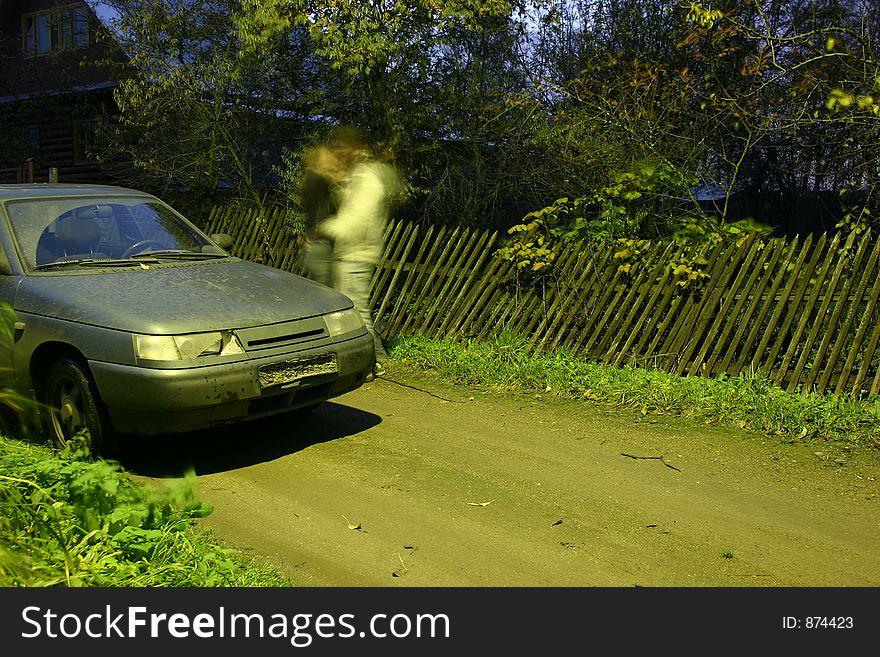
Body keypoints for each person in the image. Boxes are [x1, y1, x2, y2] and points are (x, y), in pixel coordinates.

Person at [315, 126, 398, 376]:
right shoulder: (358, 176)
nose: (340, 153)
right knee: (351, 309)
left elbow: (358, 219)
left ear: (357, 149)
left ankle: (373, 362)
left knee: (357, 311)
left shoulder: (366, 178)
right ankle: (369, 360)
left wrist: (327, 228)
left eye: (343, 148)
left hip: (357, 253)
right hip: (350, 252)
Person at [299, 144, 341, 288]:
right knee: (327, 292)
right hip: (320, 245)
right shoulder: (316, 180)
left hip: (316, 245)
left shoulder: (313, 181)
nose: (333, 161)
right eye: (328, 158)